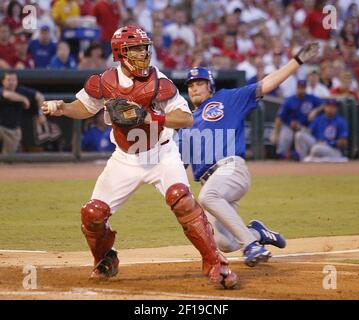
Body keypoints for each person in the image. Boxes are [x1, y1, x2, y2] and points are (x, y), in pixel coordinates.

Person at [41, 25, 238, 289]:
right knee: (93, 214)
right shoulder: (106, 81)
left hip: (161, 154)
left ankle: (215, 262)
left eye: (144, 47)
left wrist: (150, 116)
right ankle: (105, 259)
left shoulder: (160, 81)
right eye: (135, 48)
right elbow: (86, 107)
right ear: (120, 53)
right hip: (124, 159)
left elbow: (186, 118)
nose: (143, 53)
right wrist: (63, 107)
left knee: (181, 199)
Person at [179, 42, 320, 267]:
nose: (194, 87)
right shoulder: (185, 123)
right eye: (191, 84)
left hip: (231, 169)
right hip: (213, 182)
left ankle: (251, 247)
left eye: (200, 83)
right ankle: (257, 234)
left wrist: (297, 62)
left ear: (210, 86)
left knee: (207, 197)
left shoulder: (227, 99)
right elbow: (175, 164)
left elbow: (265, 84)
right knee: (223, 241)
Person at [271, 79, 323, 159]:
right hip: (289, 125)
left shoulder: (310, 98)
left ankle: (301, 158)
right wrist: (275, 134)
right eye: (299, 87)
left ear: (305, 88)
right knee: (286, 136)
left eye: (303, 88)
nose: (301, 90)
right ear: (296, 88)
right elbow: (279, 118)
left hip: (304, 127)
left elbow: (324, 104)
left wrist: (315, 110)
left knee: (301, 135)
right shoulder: (289, 100)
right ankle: (280, 156)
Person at [0, 72, 44, 154]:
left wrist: (40, 114)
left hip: (12, 130)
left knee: (7, 159)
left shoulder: (21, 90)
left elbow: (40, 96)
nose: (11, 82)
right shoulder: (2, 89)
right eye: (8, 80)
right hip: (1, 127)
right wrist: (23, 99)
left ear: (17, 81)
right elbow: (7, 95)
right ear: (3, 82)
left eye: (13, 80)